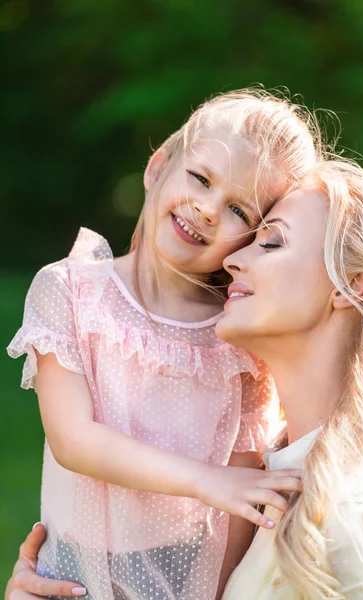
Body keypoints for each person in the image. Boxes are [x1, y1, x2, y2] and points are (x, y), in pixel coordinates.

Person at [6, 89, 318, 600]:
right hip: (69, 575)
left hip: (185, 571)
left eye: (238, 208)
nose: (208, 208)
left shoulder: (239, 337)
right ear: (158, 169)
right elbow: (73, 440)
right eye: (200, 178)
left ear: (252, 240)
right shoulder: (73, 290)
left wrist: (220, 592)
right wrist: (205, 480)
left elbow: (243, 489)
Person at [217, 160, 363, 599]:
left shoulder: (358, 512)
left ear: (350, 284)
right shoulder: (273, 478)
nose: (231, 259)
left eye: (272, 242)